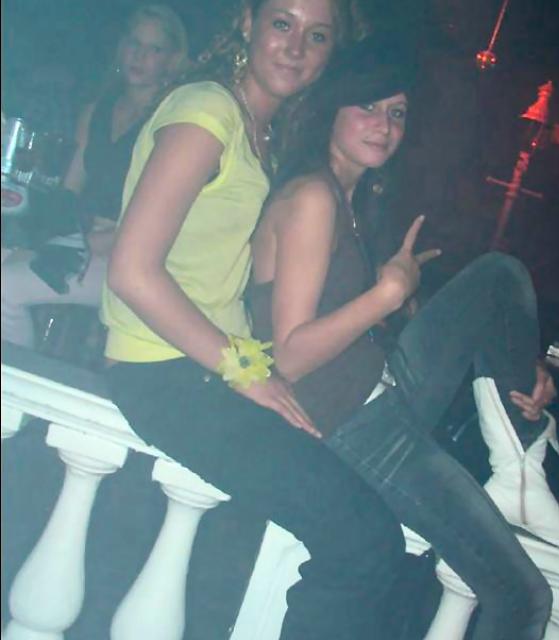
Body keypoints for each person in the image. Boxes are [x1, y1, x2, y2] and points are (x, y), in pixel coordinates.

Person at [250, 33, 559, 639]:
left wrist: (515, 361)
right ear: (333, 106)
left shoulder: (347, 199)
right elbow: (288, 357)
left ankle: (520, 464)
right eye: (369, 106)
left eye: (397, 113)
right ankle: (520, 472)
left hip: (378, 391)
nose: (384, 125)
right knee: (522, 598)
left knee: (497, 278)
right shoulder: (313, 196)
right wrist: (385, 295)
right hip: (352, 425)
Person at [101, 3, 406, 639]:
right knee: (365, 542)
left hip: (202, 370)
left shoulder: (263, 134)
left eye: (317, 35)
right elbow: (131, 270)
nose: (296, 47)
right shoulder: (207, 112)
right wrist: (244, 368)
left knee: (359, 534)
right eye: (282, 24)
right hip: (165, 373)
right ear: (247, 22)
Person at [1, 4, 189, 348]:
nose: (139, 56)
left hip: (133, 260)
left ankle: (19, 379)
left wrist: (85, 243)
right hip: (82, 241)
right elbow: (69, 193)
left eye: (154, 49)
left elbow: (161, 223)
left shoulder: (173, 124)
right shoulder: (98, 109)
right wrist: (50, 233)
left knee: (5, 287)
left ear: (172, 60)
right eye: (134, 43)